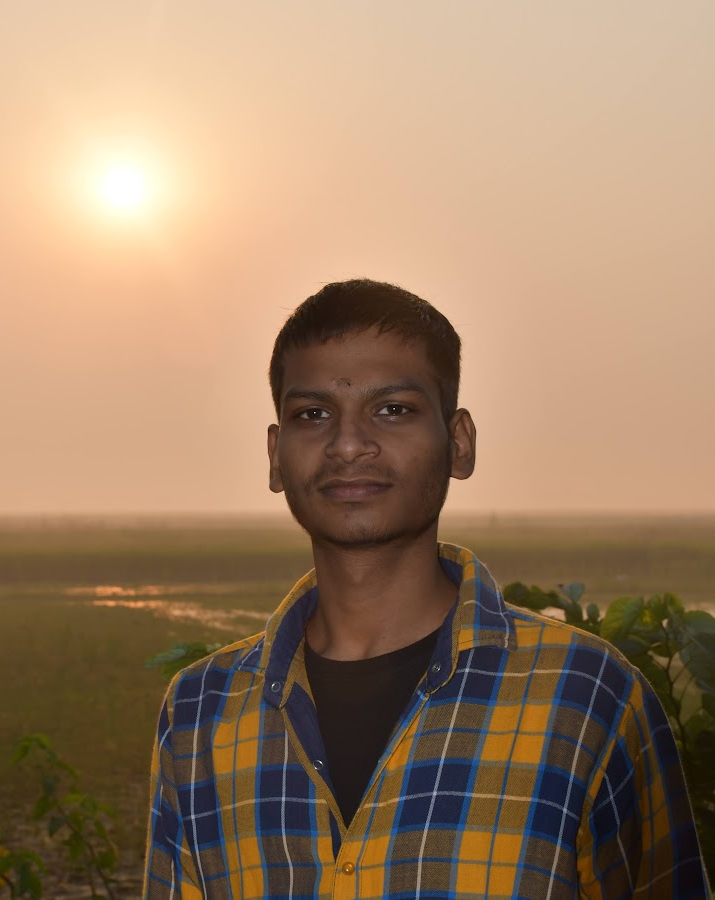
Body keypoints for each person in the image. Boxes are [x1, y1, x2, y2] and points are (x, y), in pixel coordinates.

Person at [143, 279, 710, 898]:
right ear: (277, 456)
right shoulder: (200, 713)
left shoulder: (588, 696)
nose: (348, 444)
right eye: (313, 414)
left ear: (459, 443)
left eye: (393, 409)